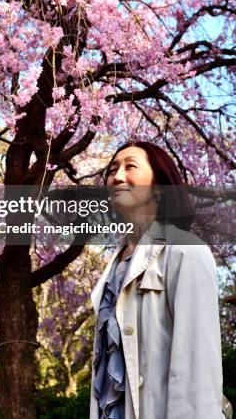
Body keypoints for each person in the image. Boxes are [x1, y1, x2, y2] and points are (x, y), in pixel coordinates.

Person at [89, 141, 226, 419]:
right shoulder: (115, 265)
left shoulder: (185, 250)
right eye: (112, 169)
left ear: (160, 188)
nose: (117, 176)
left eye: (131, 166)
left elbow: (195, 370)